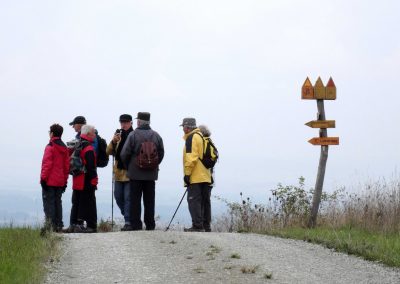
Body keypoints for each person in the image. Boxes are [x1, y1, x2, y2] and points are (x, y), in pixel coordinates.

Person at [121, 112, 164, 231]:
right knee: (149, 200)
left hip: (135, 174)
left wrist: (128, 166)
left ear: (139, 122)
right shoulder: (156, 135)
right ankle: (150, 224)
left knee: (135, 200)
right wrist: (153, 164)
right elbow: (161, 153)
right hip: (151, 175)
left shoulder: (133, 135)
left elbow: (124, 153)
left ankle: (136, 225)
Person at [180, 118, 212, 232]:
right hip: (206, 175)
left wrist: (187, 174)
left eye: (183, 127)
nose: (183, 129)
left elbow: (191, 158)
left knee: (194, 201)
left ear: (187, 127)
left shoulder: (191, 137)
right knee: (205, 202)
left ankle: (197, 226)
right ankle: (206, 226)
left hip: (196, 176)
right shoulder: (202, 136)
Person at [68, 124, 98, 233]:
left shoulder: (77, 144)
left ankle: (74, 224)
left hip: (76, 178)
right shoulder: (88, 148)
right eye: (94, 132)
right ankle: (89, 225)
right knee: (88, 202)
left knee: (76, 202)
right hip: (86, 180)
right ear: (89, 134)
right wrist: (94, 180)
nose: (95, 135)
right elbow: (91, 167)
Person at [106, 114, 134, 231]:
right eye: (121, 122)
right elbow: (108, 151)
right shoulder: (118, 135)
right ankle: (127, 215)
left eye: (126, 122)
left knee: (128, 197)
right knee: (118, 196)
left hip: (130, 171)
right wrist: (113, 141)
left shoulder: (134, 135)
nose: (123, 124)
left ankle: (128, 221)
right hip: (118, 172)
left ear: (131, 122)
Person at [40, 124, 69, 232]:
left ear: (52, 133)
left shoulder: (50, 147)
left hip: (49, 181)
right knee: (58, 202)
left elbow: (47, 165)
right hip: (60, 181)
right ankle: (58, 225)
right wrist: (65, 181)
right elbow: (66, 167)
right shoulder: (64, 148)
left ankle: (49, 226)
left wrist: (43, 179)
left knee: (49, 203)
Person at [198, 124, 214, 232]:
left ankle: (202, 225)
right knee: (207, 201)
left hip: (201, 176)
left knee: (200, 201)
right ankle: (207, 225)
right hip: (209, 177)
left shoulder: (202, 142)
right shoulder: (210, 141)